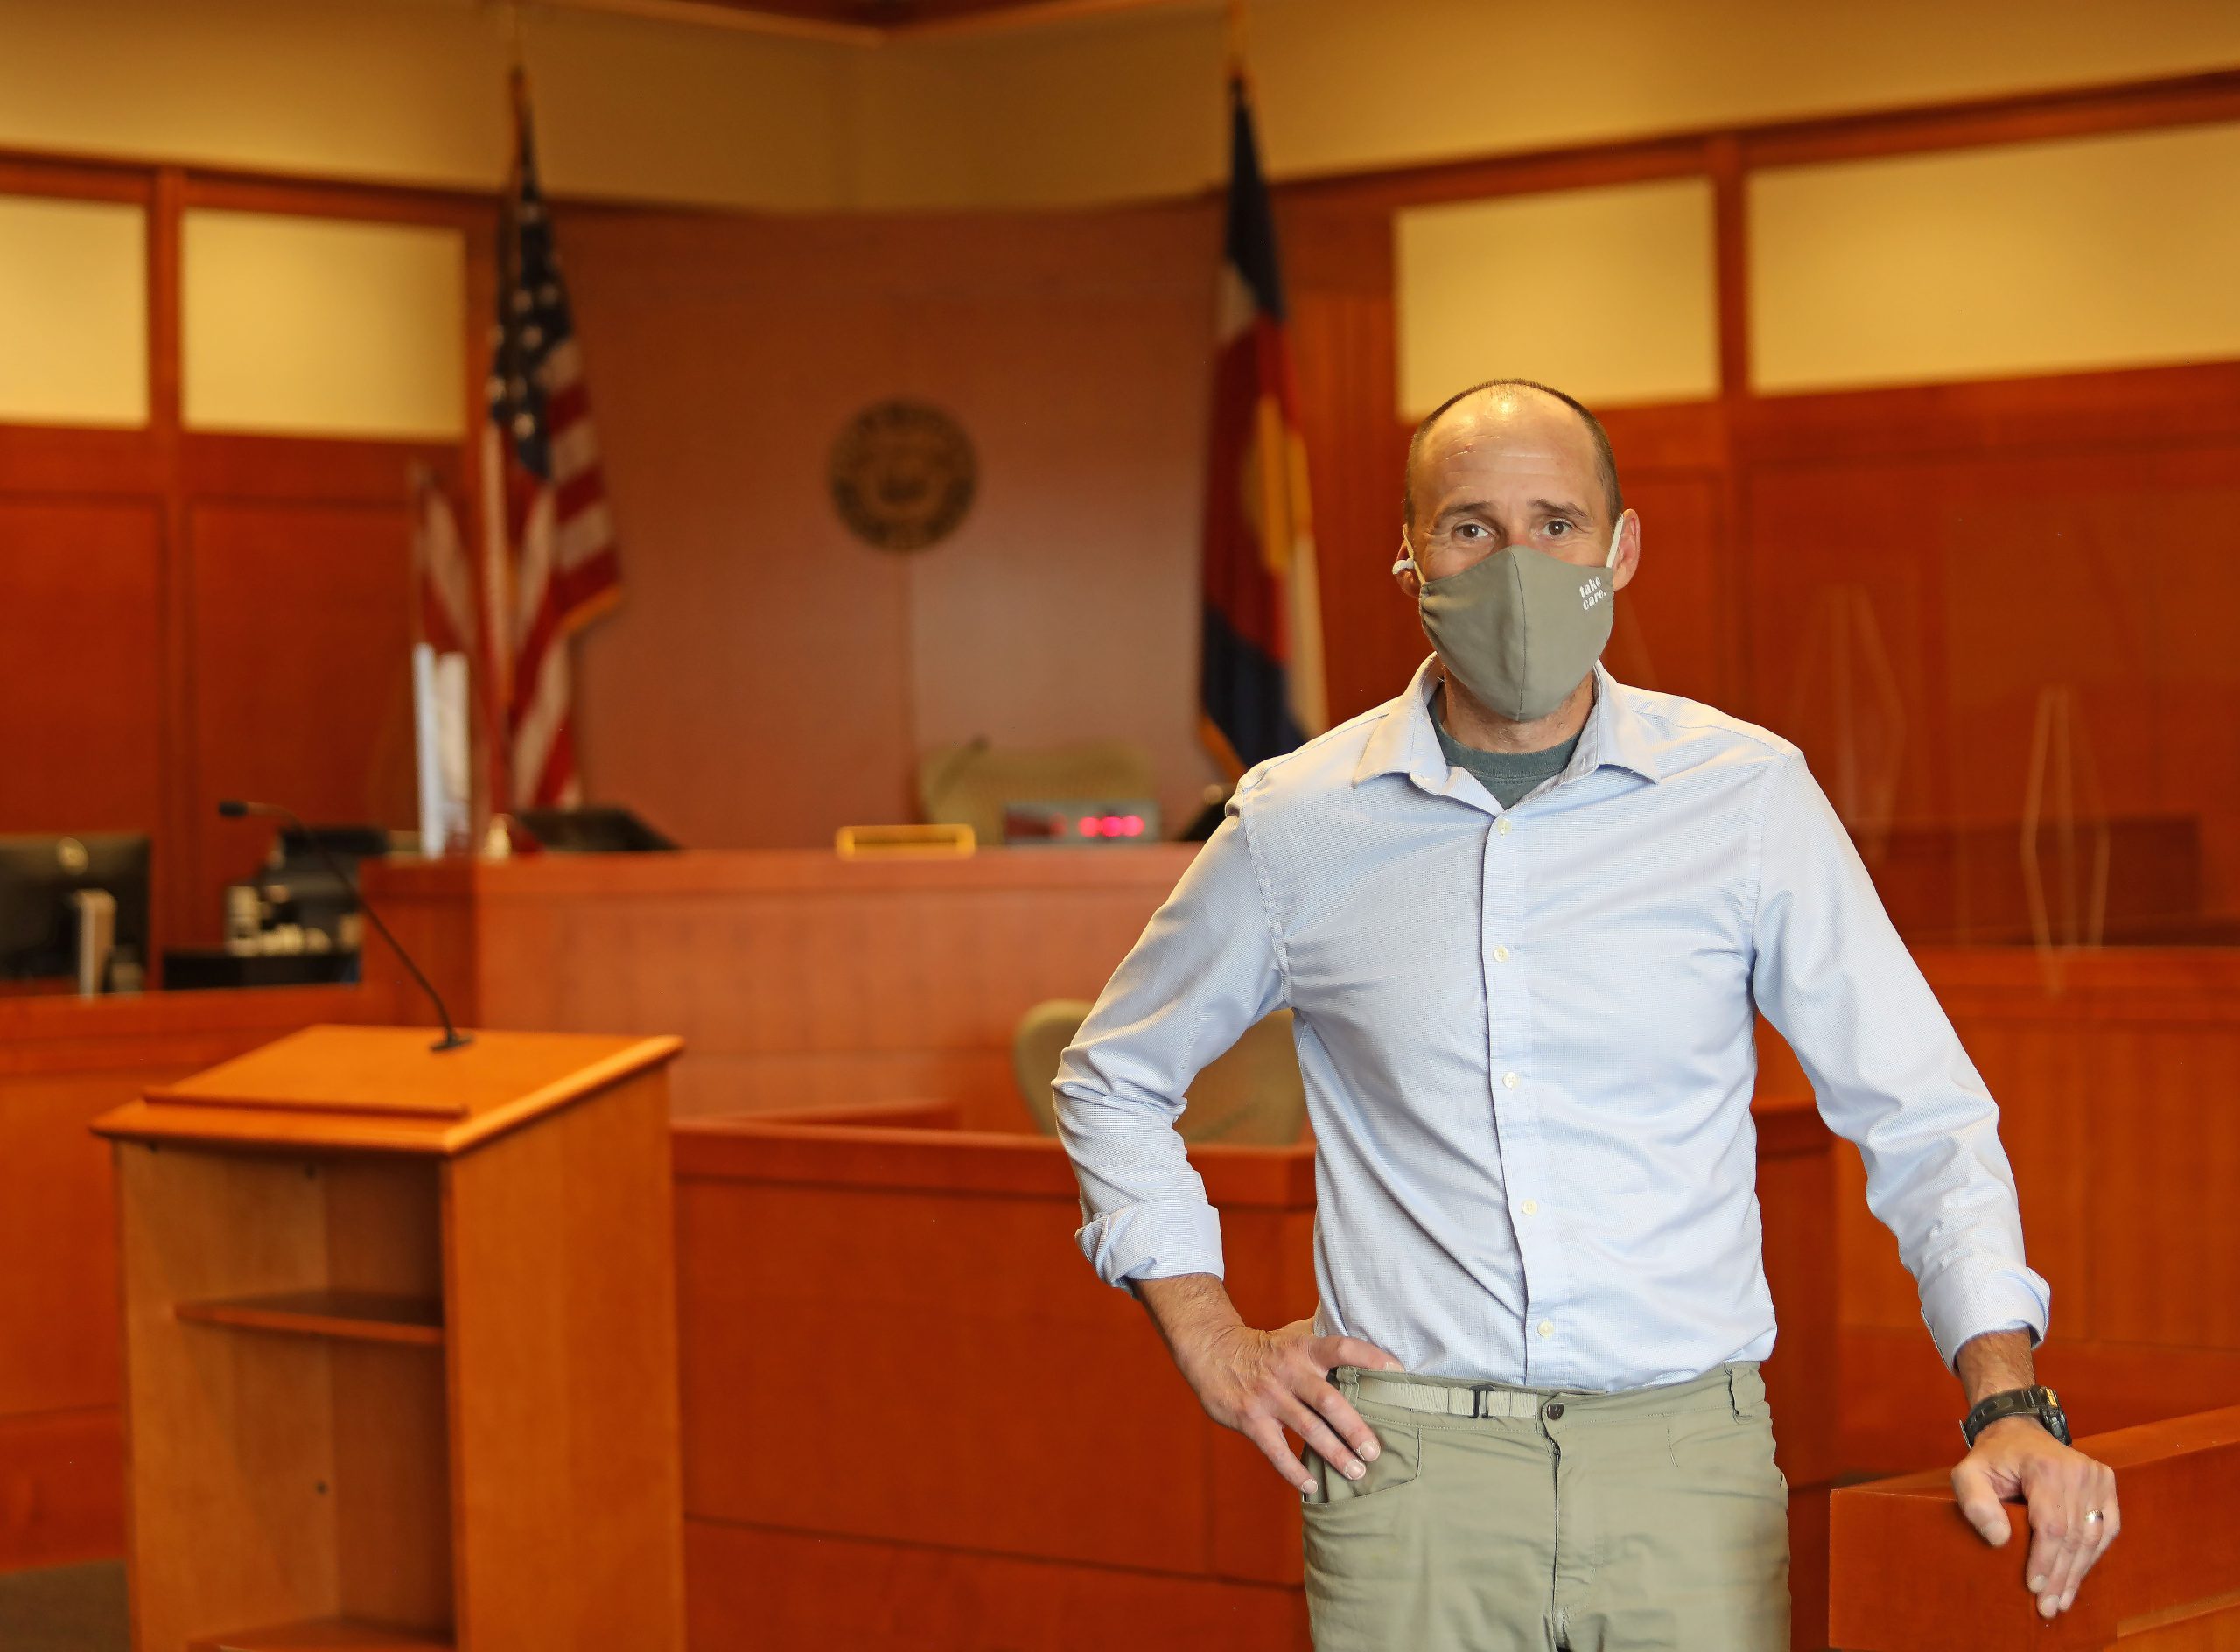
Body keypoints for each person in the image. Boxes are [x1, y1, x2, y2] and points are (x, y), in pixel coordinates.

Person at [1052, 380, 2119, 1650]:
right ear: (1409, 556)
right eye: (1470, 528)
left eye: (1556, 524)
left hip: (1690, 1471)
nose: (1518, 565)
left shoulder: (1745, 796)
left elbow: (1923, 1115)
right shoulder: (1300, 819)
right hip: (1408, 1481)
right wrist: (1212, 1336)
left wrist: (2007, 1399)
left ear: (1622, 548)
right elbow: (1111, 1079)